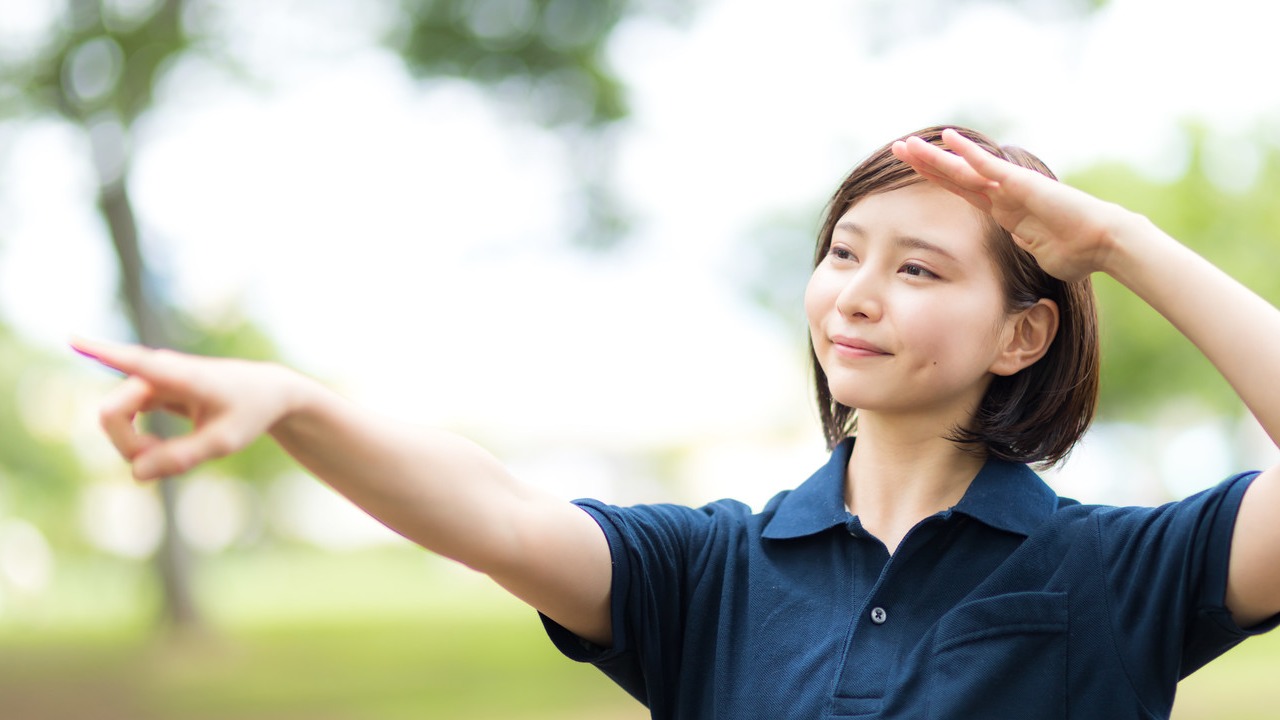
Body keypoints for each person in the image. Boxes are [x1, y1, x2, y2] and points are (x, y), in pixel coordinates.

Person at [74, 125, 1280, 719]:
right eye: (843, 252)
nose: (854, 290)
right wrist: (293, 403)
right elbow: (493, 510)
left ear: (1022, 333)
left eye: (918, 271)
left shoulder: (1115, 571)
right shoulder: (707, 572)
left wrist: (1117, 244)